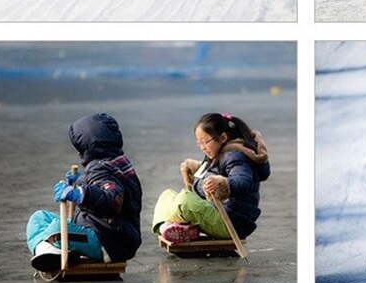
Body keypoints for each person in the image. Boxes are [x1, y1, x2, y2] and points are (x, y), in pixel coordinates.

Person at [25, 113, 143, 272]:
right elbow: (104, 183)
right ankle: (48, 251)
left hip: (108, 241)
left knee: (57, 229)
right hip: (106, 232)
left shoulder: (100, 167)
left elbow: (114, 199)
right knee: (39, 218)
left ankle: (47, 249)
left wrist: (80, 193)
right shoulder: (116, 163)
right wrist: (82, 180)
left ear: (88, 146)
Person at [151, 112, 270, 243]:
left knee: (185, 200)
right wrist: (196, 169)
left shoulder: (234, 156)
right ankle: (170, 227)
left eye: (205, 142)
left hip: (231, 222)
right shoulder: (216, 155)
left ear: (223, 137)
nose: (202, 147)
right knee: (167, 195)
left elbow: (243, 180)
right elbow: (214, 172)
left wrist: (223, 184)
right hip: (218, 213)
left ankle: (171, 226)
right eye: (199, 143)